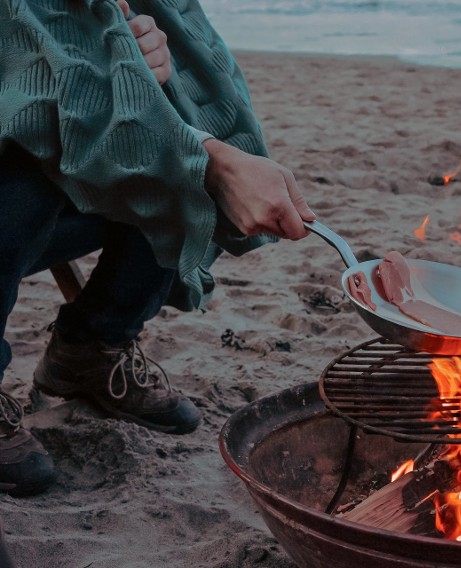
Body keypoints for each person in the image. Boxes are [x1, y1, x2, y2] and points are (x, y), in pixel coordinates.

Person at [0, 0, 315, 504]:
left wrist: (141, 77)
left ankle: (91, 349)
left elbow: (208, 77)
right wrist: (210, 162)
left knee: (161, 160)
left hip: (53, 212)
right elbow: (22, 89)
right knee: (35, 159)